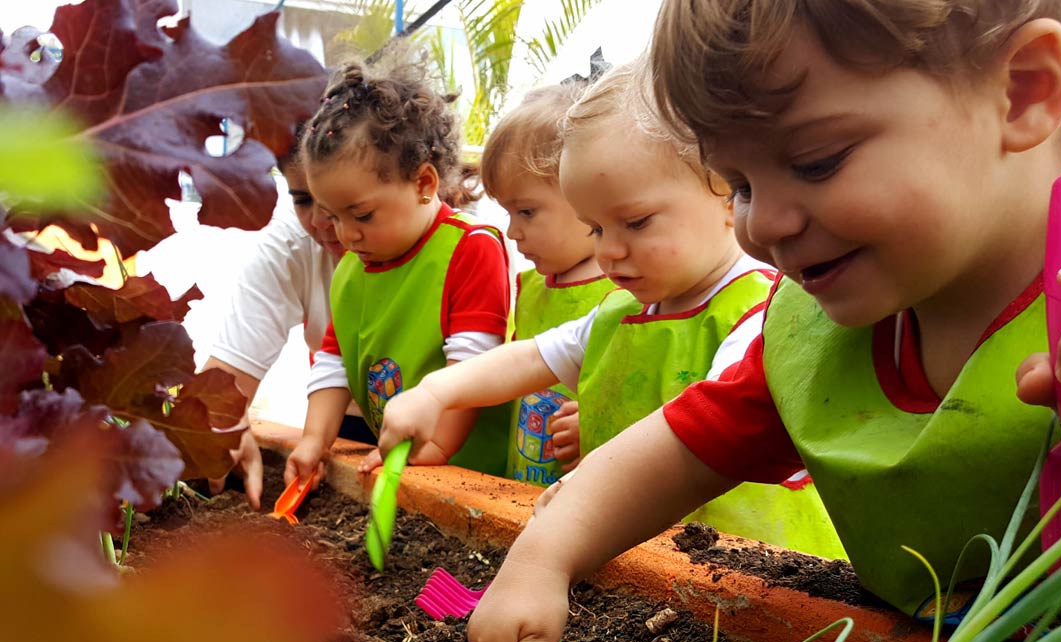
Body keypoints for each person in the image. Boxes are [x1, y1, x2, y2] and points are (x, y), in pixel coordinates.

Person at [464, 1, 1061, 642]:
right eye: (742, 183)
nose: (763, 227)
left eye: (817, 161)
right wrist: (544, 554)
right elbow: (684, 443)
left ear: (1023, 92)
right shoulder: (819, 330)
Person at [371, 60, 842, 557]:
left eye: (636, 223)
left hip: (753, 576)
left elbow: (704, 438)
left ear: (726, 193)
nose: (609, 251)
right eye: (595, 228)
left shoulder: (756, 316)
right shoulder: (620, 312)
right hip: (642, 564)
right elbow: (533, 357)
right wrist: (436, 393)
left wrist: (581, 500)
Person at [284, 59, 511, 486]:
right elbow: (333, 360)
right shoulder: (354, 265)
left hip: (468, 473)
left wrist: (436, 447)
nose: (346, 235)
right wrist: (315, 440)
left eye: (363, 215)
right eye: (333, 217)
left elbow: (472, 364)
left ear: (424, 183)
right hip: (403, 465)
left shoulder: (471, 247)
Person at [480, 81, 614, 486]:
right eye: (507, 212)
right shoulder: (530, 288)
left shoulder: (628, 291)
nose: (512, 231)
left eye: (526, 211)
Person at [202, 137, 347, 509]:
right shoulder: (289, 242)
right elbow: (224, 386)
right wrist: (224, 425)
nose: (319, 220)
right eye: (302, 199)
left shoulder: (456, 249)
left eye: (342, 201)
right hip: (338, 422)